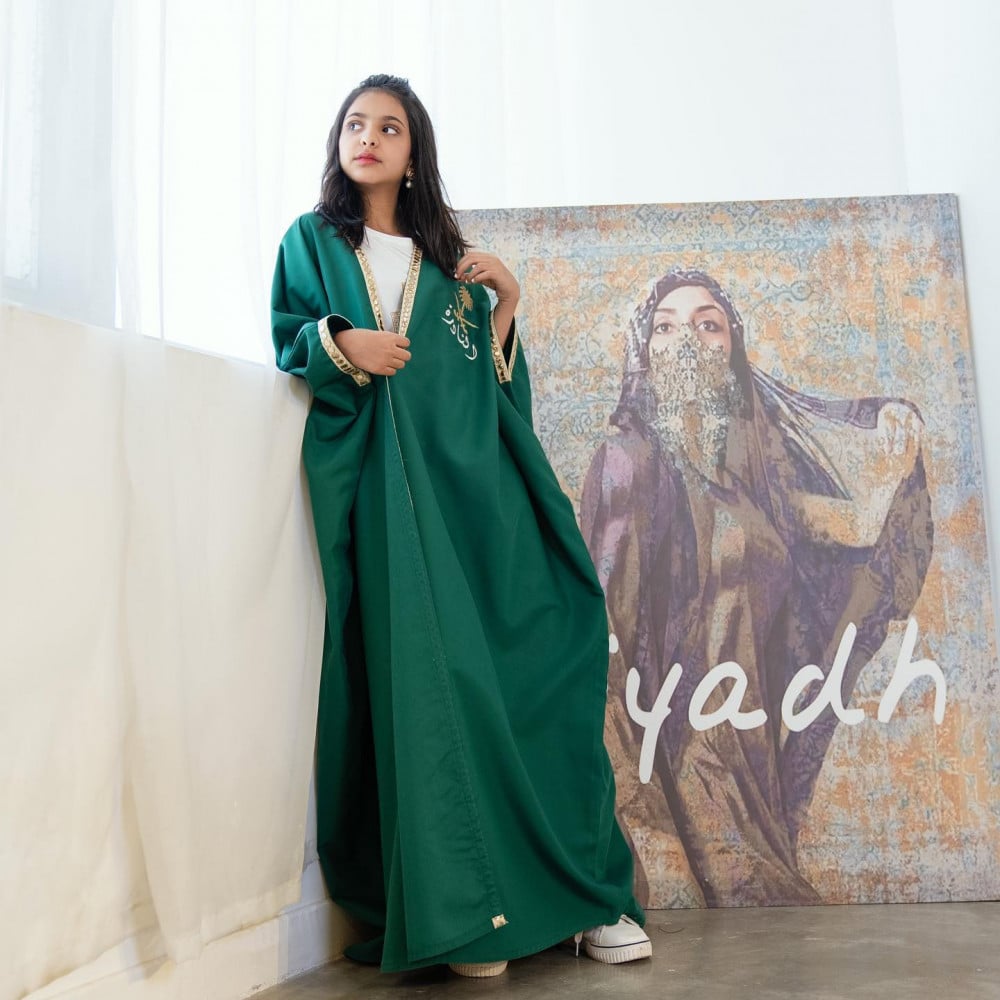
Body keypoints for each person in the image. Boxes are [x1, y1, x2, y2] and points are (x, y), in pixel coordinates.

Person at [270, 74, 649, 978]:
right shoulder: (311, 241)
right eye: (355, 124)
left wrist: (507, 306)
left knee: (540, 666)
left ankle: (586, 896)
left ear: (414, 154)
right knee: (436, 687)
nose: (368, 137)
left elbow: (491, 393)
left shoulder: (453, 264)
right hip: (390, 505)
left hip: (481, 500)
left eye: (389, 127)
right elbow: (289, 334)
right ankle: (471, 912)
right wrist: (341, 343)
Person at [582, 269, 933, 907]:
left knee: (777, 930)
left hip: (754, 758)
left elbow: (861, 526)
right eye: (666, 327)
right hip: (686, 769)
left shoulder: (751, 492)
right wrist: (637, 816)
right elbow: (598, 636)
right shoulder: (628, 461)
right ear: (644, 353)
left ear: (733, 351)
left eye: (707, 325)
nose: (687, 340)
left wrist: (894, 429)